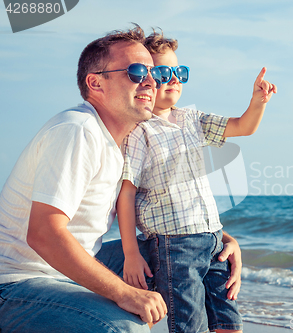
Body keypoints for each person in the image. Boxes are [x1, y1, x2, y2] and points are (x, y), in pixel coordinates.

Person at [0, 25, 242, 332]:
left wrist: (219, 242)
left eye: (155, 73)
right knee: (125, 328)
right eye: (137, 72)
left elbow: (167, 213)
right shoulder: (77, 131)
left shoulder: (125, 144)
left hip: (73, 267)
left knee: (192, 255)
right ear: (96, 83)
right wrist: (125, 293)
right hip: (18, 283)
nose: (152, 82)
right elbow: (43, 233)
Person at [117, 31, 277, 333]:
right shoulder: (141, 131)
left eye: (180, 72)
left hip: (213, 237)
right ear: (146, 79)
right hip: (174, 245)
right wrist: (131, 254)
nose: (175, 78)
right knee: (191, 327)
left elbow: (244, 126)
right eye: (165, 72)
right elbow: (126, 194)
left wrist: (258, 101)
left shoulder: (193, 119)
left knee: (230, 323)